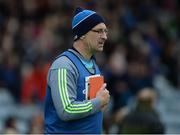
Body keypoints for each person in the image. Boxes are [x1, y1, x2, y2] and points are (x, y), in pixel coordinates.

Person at [44, 7, 110, 134]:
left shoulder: (93, 64)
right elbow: (66, 110)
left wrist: (100, 103)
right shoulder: (63, 65)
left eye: (106, 31)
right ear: (83, 34)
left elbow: (93, 107)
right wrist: (99, 101)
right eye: (99, 31)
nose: (105, 36)